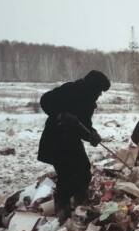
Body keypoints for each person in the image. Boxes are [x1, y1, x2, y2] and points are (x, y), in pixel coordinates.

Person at [37, 70, 110, 221]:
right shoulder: (70, 89)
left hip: (71, 141)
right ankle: (62, 211)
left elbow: (83, 125)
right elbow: (45, 100)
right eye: (99, 90)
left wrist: (92, 135)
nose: (99, 95)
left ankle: (80, 205)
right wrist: (61, 114)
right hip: (56, 139)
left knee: (84, 172)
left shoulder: (88, 101)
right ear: (92, 86)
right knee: (66, 175)